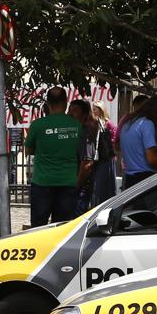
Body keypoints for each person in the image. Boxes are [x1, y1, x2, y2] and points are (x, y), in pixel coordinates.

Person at [25, 87, 84, 227]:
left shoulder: (37, 125)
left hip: (42, 183)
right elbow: (80, 152)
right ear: (65, 103)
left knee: (38, 227)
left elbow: (28, 150)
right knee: (63, 228)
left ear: (47, 104)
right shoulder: (77, 126)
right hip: (68, 183)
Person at [118, 94, 157, 189]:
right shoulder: (147, 124)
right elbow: (152, 159)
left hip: (129, 178)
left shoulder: (128, 124)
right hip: (146, 179)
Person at [68, 99, 99, 214]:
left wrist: (77, 185)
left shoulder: (85, 132)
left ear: (84, 115)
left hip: (82, 185)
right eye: (69, 110)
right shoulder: (76, 131)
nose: (70, 114)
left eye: (74, 111)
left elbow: (87, 163)